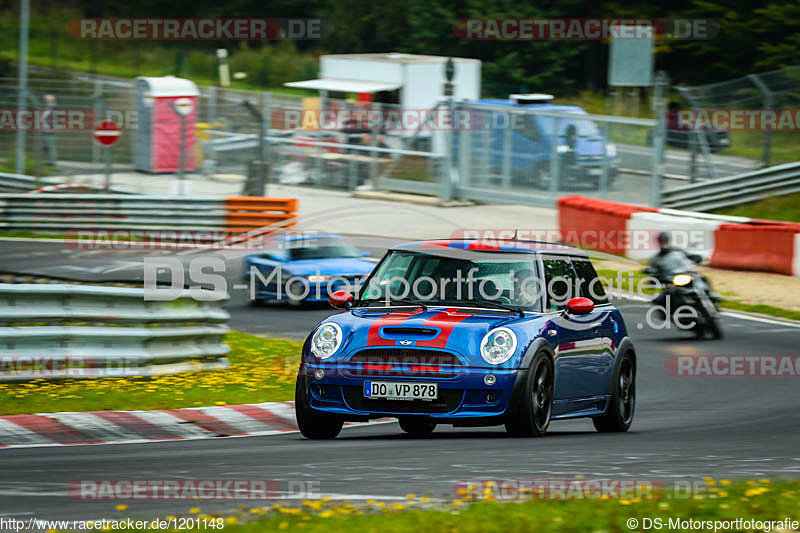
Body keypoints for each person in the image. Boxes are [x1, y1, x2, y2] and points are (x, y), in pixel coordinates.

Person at [41, 94, 58, 167]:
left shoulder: (52, 108)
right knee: (46, 146)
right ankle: (49, 161)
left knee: (49, 146)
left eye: (46, 99)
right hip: (45, 130)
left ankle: (52, 162)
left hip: (49, 131)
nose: (44, 101)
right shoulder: (47, 108)